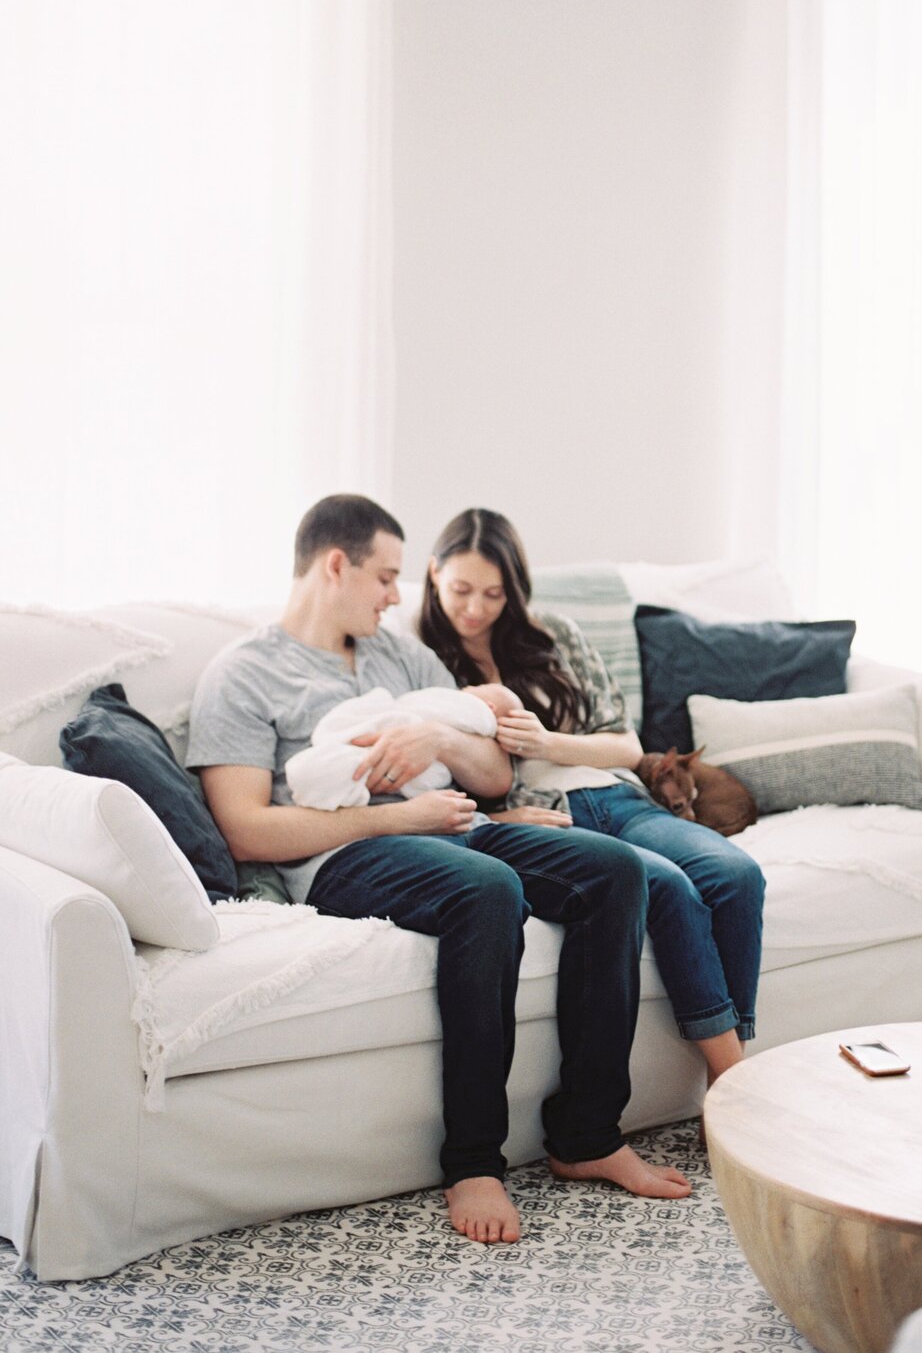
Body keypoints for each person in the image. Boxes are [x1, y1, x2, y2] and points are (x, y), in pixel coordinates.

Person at [187, 494, 690, 1248]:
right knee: (489, 892)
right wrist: (394, 817)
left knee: (616, 872)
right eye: (387, 577)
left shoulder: (399, 655)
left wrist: (438, 739)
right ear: (336, 566)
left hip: (458, 824)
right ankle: (473, 1161)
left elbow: (490, 776)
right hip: (342, 855)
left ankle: (586, 1135)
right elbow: (245, 828)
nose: (399, 596)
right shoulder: (245, 674)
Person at [419, 508, 766, 1088]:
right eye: (460, 590)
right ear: (432, 574)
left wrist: (548, 741)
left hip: (616, 796)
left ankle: (722, 1086)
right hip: (548, 822)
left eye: (494, 593)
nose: (475, 608)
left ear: (516, 590)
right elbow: (424, 781)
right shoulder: (416, 658)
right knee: (671, 888)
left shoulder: (554, 634)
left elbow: (628, 746)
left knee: (736, 875)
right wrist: (497, 819)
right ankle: (736, 1085)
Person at [285, 682, 522, 808]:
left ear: (489, 707)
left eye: (475, 689)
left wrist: (437, 735)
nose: (465, 689)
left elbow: (501, 778)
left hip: (435, 802)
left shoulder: (474, 710)